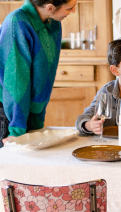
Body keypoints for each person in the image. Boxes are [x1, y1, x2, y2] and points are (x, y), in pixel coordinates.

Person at [0, 0, 77, 147]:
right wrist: (16, 130)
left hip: (25, 115)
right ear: (50, 8)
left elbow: (45, 77)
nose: (73, 11)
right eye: (69, 8)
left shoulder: (53, 23)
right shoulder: (16, 23)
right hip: (9, 116)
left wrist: (36, 122)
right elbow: (16, 81)